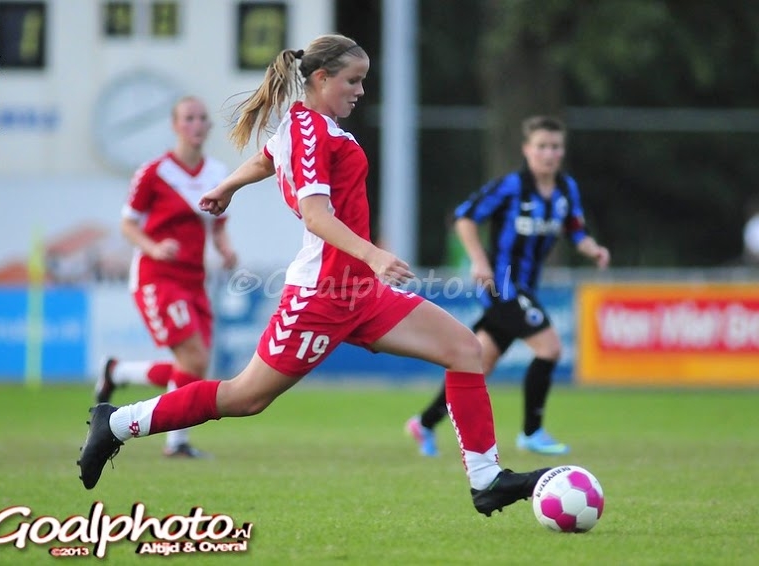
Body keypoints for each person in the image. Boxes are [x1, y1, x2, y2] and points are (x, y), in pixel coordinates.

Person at [77, 34, 549, 517]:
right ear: (321, 78)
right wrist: (373, 255)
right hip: (322, 294)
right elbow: (315, 214)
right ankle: (116, 423)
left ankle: (487, 480)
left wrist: (227, 186)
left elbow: (266, 158)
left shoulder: (307, 125)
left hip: (360, 293)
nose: (360, 91)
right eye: (353, 80)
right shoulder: (310, 131)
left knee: (465, 350)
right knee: (244, 397)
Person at [406, 116, 610, 457]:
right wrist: (479, 261)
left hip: (526, 286)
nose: (549, 153)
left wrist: (592, 248)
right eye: (542, 146)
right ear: (527, 150)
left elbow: (574, 227)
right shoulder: (511, 187)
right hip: (502, 286)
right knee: (550, 348)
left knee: (477, 363)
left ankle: (424, 423)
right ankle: (532, 432)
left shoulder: (566, 189)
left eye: (555, 147)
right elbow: (465, 217)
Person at [94, 96, 238, 458]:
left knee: (194, 364)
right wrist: (154, 248)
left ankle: (118, 372)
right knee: (193, 358)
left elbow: (218, 225)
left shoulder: (217, 173)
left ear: (208, 126)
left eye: (202, 118)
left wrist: (225, 249)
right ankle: (176, 442)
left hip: (194, 279)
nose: (196, 124)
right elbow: (128, 224)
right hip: (157, 277)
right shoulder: (154, 172)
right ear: (175, 125)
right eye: (188, 118)